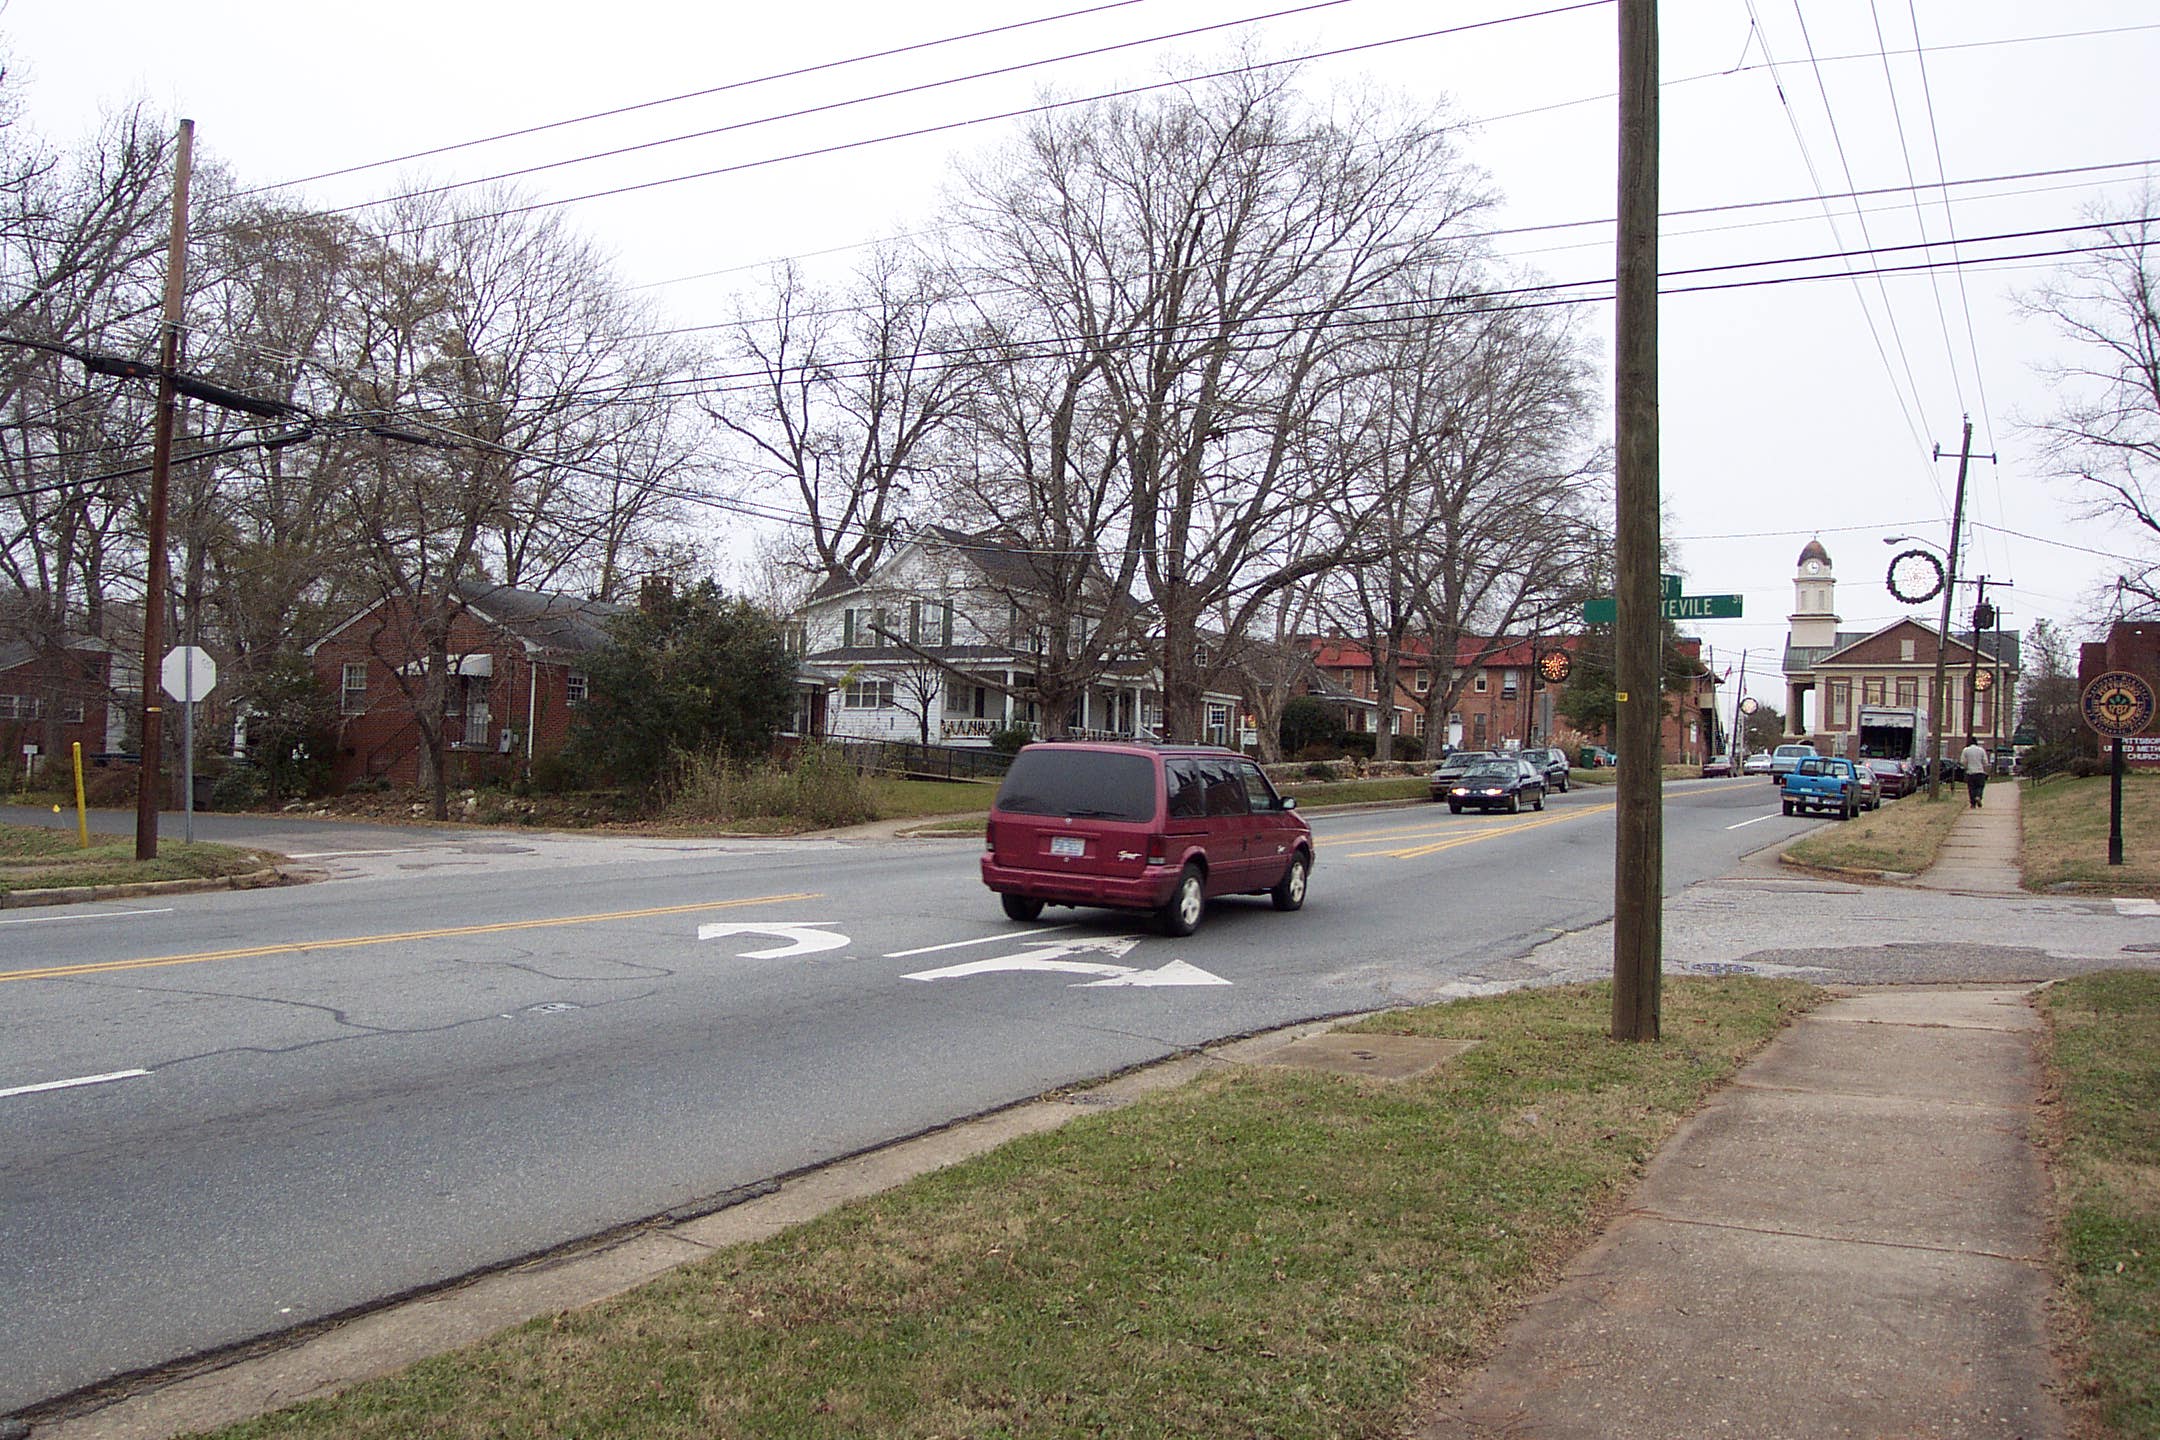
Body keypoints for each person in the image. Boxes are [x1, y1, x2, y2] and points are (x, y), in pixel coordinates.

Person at [1959, 736, 1991, 808]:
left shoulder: (1966, 750)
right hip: (1980, 772)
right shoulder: (1981, 750)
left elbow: (1962, 761)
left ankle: (1973, 803)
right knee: (1980, 786)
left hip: (1970, 772)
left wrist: (1966, 766)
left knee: (1971, 788)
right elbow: (1985, 762)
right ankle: (1978, 796)